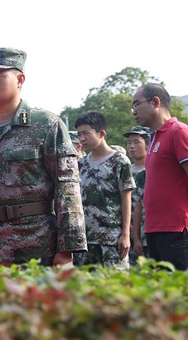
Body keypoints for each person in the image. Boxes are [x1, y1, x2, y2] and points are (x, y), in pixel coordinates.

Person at [0, 48, 86, 266]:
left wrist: (67, 250)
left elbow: (67, 189)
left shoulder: (46, 125)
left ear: (20, 79)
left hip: (34, 244)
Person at [131, 82, 188, 270]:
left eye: (137, 104)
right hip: (155, 230)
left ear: (155, 102)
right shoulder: (154, 138)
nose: (134, 111)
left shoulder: (178, 132)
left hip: (177, 230)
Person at [73, 112, 134, 268]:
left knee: (116, 286)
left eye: (86, 133)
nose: (82, 139)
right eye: (79, 134)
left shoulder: (119, 161)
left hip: (111, 239)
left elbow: (126, 197)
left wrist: (126, 234)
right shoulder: (81, 164)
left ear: (101, 133)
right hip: (85, 239)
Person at [123, 125, 150, 261]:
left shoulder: (152, 171)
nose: (132, 146)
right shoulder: (125, 170)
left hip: (148, 232)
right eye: (129, 142)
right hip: (126, 233)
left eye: (136, 142)